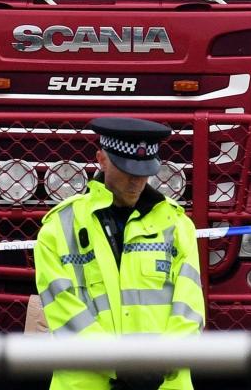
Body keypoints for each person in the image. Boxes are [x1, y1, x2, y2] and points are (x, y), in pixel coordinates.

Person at [34, 117, 205, 390]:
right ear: (101, 159)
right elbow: (64, 312)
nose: (137, 181)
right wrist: (120, 365)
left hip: (161, 382)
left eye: (145, 171)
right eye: (127, 171)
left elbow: (190, 309)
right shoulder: (59, 227)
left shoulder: (177, 224)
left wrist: (161, 364)